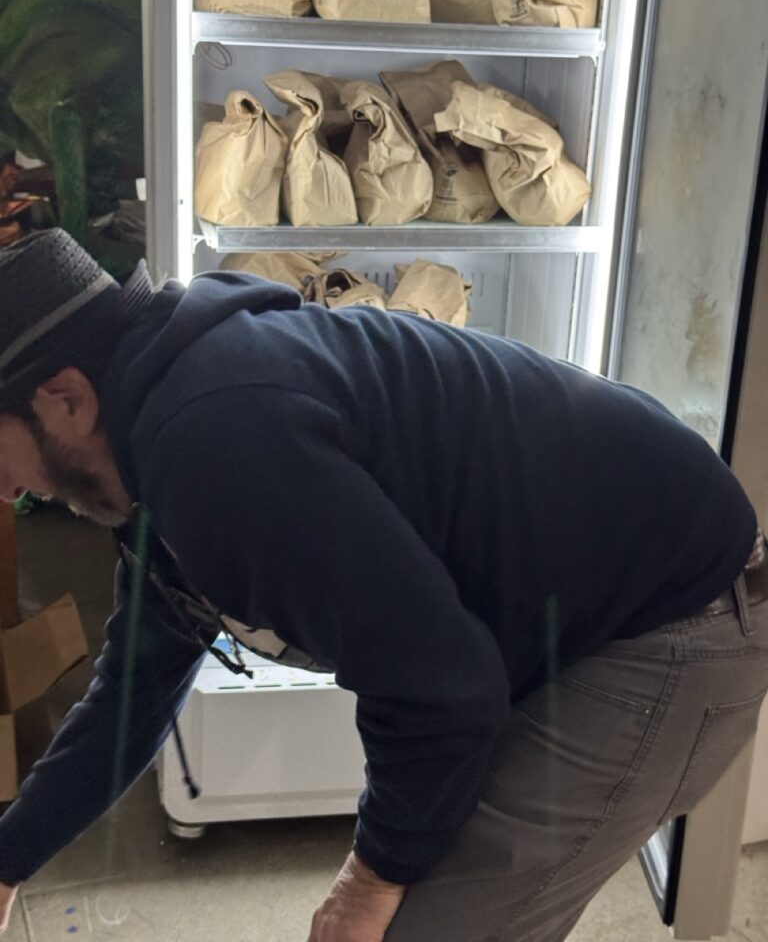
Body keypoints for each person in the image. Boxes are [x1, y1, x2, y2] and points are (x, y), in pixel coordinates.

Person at [0, 229, 765, 942]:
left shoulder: (220, 443)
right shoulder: (154, 444)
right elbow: (134, 690)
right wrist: (8, 859)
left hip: (674, 620)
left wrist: (366, 881)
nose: (4, 494)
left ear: (65, 399)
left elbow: (440, 690)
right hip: (586, 610)